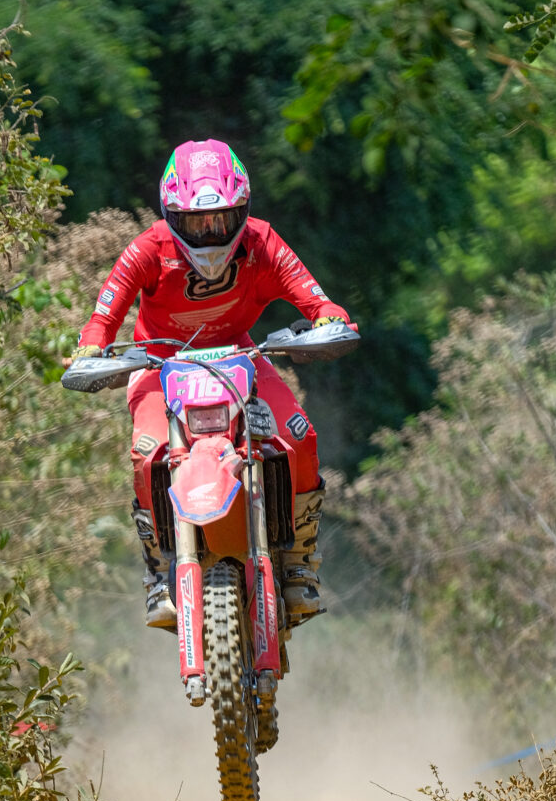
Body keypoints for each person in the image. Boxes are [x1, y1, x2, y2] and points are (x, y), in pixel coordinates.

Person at [69, 138, 356, 628]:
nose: (209, 234)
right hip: (160, 365)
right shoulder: (148, 248)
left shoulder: (263, 242)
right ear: (170, 215)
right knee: (147, 449)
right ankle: (161, 569)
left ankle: (299, 562)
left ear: (242, 210)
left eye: (221, 219)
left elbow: (317, 301)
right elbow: (103, 315)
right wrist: (92, 349)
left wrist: (331, 320)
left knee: (298, 433)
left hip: (241, 355)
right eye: (196, 222)